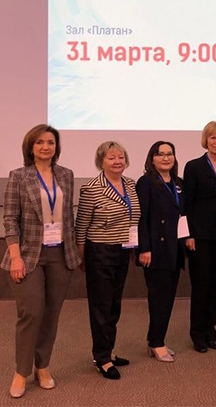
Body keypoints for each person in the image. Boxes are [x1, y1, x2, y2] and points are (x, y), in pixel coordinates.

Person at [2, 124, 81, 398]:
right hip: (27, 254)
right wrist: (15, 258)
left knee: (51, 313)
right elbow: (10, 218)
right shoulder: (18, 176)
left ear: (56, 147)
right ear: (31, 147)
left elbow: (68, 215)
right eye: (39, 142)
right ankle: (21, 372)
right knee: (31, 313)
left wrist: (76, 250)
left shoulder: (66, 175)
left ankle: (43, 366)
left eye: (50, 142)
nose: (45, 147)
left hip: (60, 254)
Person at [75, 141, 140, 380]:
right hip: (99, 253)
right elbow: (81, 226)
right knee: (101, 307)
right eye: (111, 158)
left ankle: (108, 351)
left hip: (123, 251)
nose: (117, 161)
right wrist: (82, 256)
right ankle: (101, 358)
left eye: (120, 157)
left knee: (114, 305)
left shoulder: (130, 184)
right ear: (101, 161)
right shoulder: (92, 188)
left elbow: (133, 217)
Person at [184, 121, 216, 352]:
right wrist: (188, 235)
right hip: (199, 236)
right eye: (213, 137)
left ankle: (210, 330)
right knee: (201, 284)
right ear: (206, 140)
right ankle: (197, 333)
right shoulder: (193, 167)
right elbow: (187, 204)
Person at [136, 141, 188, 362]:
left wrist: (187, 239)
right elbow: (141, 218)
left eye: (169, 154)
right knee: (159, 298)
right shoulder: (146, 182)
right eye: (160, 154)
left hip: (174, 248)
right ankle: (157, 343)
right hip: (155, 250)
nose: (166, 158)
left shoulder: (178, 183)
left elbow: (183, 215)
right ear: (152, 158)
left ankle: (156, 340)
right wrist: (144, 248)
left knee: (167, 298)